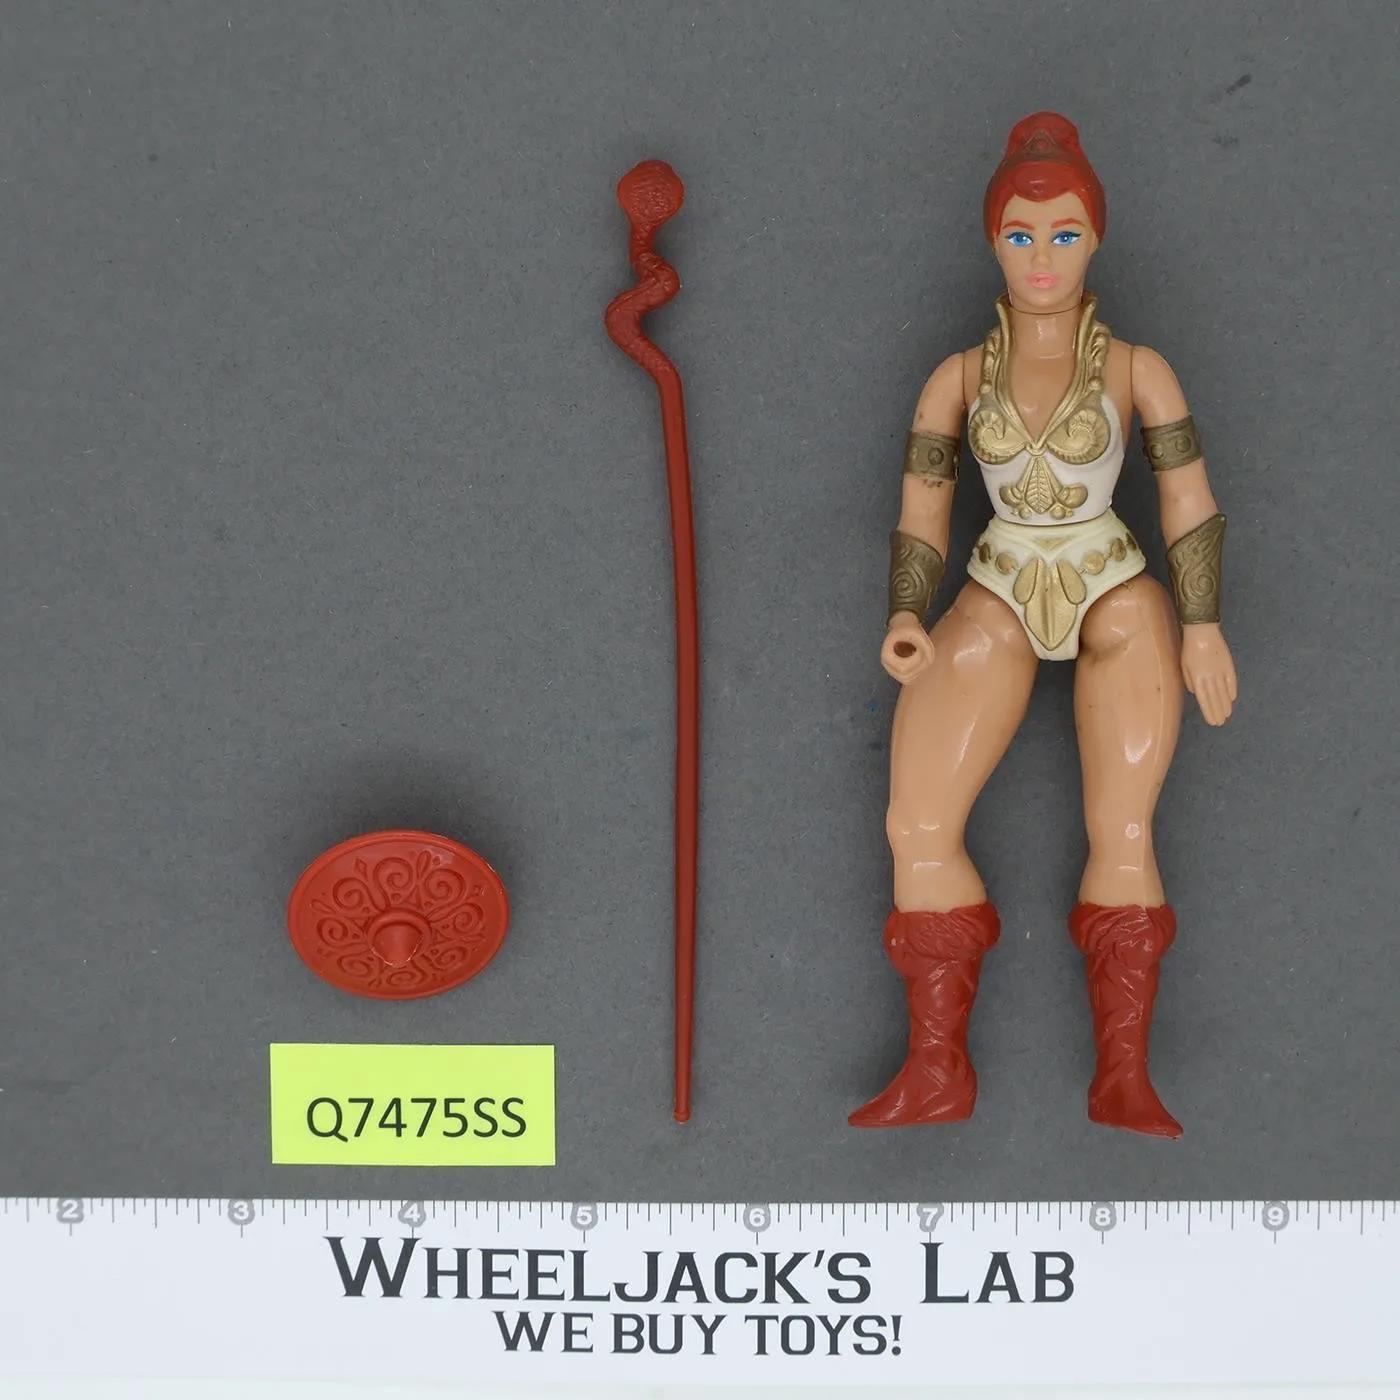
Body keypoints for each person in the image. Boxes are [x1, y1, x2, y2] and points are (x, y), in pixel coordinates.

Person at [849, 112, 1237, 1139]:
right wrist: (905, 613)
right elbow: (923, 508)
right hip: (997, 587)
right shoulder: (956, 376)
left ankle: (1124, 1076)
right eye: (1020, 235)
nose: (1041, 257)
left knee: (1123, 827)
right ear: (993, 240)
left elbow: (1187, 500)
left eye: (1063, 233)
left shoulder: (1137, 369)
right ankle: (935, 1069)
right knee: (915, 826)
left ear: (1094, 237)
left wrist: (1200, 624)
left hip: (1115, 589)